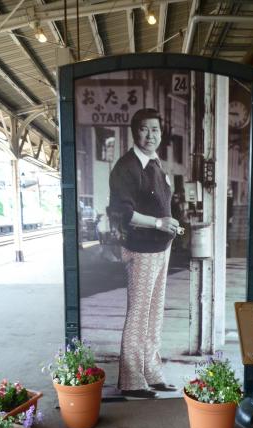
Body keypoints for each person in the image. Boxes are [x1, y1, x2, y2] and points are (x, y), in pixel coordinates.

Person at [109, 108, 179, 399]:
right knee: (139, 314)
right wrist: (159, 223)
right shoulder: (126, 167)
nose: (151, 135)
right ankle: (131, 380)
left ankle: (151, 371)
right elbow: (123, 213)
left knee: (154, 314)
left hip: (161, 247)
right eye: (145, 129)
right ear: (134, 132)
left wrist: (169, 224)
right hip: (140, 249)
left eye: (156, 129)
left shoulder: (155, 163)